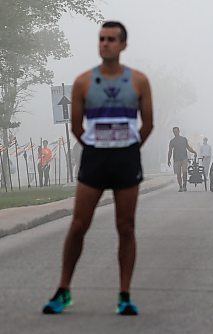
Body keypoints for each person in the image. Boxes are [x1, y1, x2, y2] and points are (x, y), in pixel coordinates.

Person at [42, 21, 154, 316]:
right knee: (79, 225)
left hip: (126, 160)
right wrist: (97, 146)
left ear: (123, 45)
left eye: (112, 39)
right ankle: (63, 290)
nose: (105, 43)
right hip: (95, 160)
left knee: (126, 226)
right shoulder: (83, 82)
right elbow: (76, 126)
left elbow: (149, 124)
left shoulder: (139, 81)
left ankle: (124, 295)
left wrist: (128, 148)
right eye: (102, 39)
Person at [168, 127, 197, 192]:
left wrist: (194, 151)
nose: (175, 133)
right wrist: (168, 159)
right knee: (178, 174)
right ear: (173, 132)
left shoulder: (184, 139)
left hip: (184, 158)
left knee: (184, 173)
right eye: (174, 132)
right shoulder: (172, 141)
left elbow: (188, 147)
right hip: (176, 159)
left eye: (176, 131)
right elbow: (170, 151)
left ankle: (184, 185)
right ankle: (180, 186)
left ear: (179, 131)